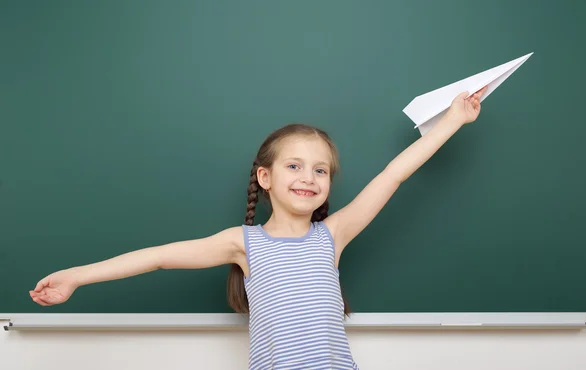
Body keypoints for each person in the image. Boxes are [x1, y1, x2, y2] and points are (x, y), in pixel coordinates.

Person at [29, 86, 488, 369]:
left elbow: (394, 174)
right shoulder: (243, 244)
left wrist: (453, 119)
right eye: (294, 165)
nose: (308, 178)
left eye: (320, 170)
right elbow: (155, 258)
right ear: (266, 178)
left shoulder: (333, 235)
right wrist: (76, 276)